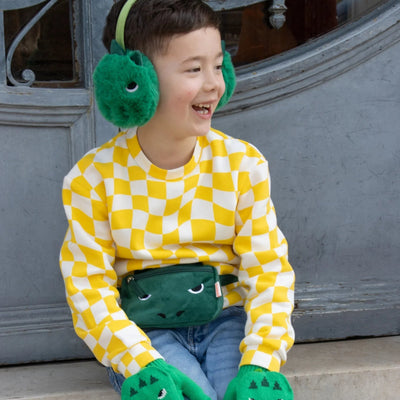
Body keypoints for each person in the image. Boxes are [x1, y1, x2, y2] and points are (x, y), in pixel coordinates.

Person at [59, 1, 295, 399]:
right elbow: (88, 287)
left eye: (218, 65)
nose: (214, 84)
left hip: (227, 322)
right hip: (145, 335)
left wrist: (261, 361)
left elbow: (268, 270)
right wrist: (140, 363)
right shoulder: (92, 180)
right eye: (194, 69)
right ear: (135, 79)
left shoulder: (242, 165)